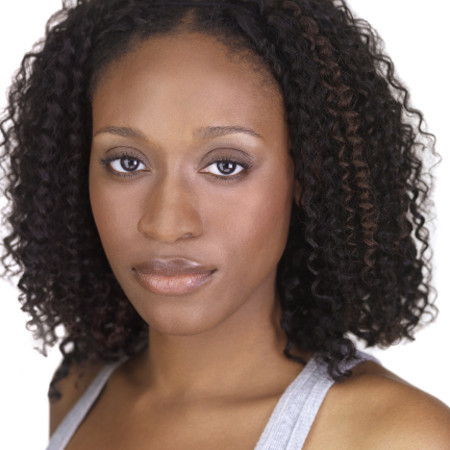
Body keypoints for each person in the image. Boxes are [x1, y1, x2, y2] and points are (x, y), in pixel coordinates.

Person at [1, 0, 449, 448]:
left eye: (226, 166)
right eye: (127, 162)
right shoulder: (77, 389)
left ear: (307, 175)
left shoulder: (397, 436)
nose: (166, 224)